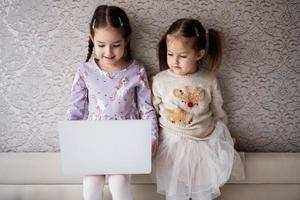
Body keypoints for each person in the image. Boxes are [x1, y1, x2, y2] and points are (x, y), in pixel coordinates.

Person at [65, 5, 158, 200]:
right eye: (101, 45)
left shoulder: (137, 70)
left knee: (120, 183)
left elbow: (147, 108)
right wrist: (71, 141)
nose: (108, 52)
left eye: (116, 44)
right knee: (91, 185)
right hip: (93, 140)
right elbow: (75, 109)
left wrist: (152, 138)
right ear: (92, 40)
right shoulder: (84, 71)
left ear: (126, 41)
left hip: (125, 140)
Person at [152, 18, 245, 200]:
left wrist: (222, 138)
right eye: (170, 54)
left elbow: (218, 111)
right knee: (176, 192)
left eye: (183, 56)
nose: (175, 61)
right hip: (172, 144)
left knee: (202, 192)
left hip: (203, 144)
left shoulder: (208, 79)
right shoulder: (160, 80)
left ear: (199, 55)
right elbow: (153, 110)